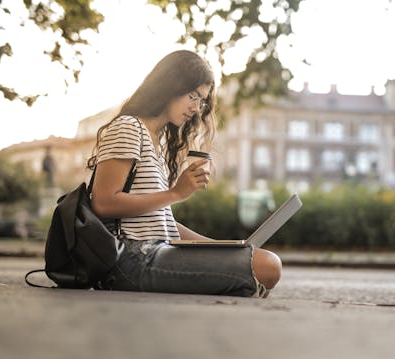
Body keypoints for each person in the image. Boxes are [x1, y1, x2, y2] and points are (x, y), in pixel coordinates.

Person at [87, 50, 281, 297]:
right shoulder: (128, 127)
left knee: (260, 260)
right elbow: (103, 203)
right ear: (169, 86)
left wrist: (222, 248)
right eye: (193, 96)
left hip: (154, 252)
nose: (196, 108)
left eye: (201, 100)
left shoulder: (157, 141)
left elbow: (160, 221)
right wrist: (176, 193)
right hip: (129, 260)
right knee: (268, 266)